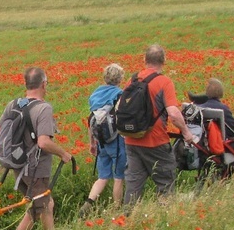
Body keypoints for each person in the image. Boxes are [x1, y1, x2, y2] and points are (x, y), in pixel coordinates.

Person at [0, 67, 72, 230]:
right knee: (42, 207)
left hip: (18, 167)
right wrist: (63, 153)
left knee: (42, 206)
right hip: (36, 169)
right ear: (44, 84)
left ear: (26, 84)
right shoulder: (43, 108)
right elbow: (43, 143)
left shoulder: (13, 104)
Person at [123, 44, 195, 207]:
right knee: (165, 181)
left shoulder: (132, 79)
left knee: (133, 184)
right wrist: (186, 132)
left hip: (132, 140)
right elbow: (174, 114)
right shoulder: (164, 82)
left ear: (144, 60)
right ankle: (165, 217)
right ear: (164, 61)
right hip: (155, 141)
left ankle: (127, 218)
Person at [80, 63, 127, 217]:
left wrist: (92, 143)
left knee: (103, 176)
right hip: (116, 140)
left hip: (101, 140)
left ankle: (88, 203)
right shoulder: (120, 94)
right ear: (120, 78)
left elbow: (91, 119)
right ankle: (116, 209)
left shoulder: (96, 94)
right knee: (119, 177)